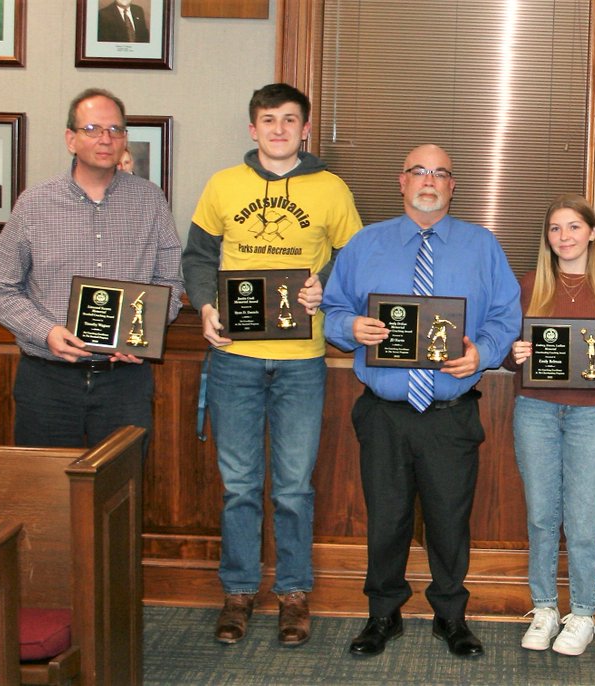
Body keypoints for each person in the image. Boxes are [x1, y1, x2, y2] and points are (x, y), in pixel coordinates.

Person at [181, 83, 363, 648]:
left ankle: (292, 593)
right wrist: (207, 304)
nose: (279, 128)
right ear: (252, 128)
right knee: (238, 485)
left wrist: (324, 288)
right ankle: (237, 592)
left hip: (301, 361)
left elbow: (353, 259)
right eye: (268, 119)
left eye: (290, 119)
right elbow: (199, 256)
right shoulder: (223, 184)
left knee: (292, 487)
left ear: (305, 129)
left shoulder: (331, 189)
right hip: (234, 357)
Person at [321, 144, 521, 659]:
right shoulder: (365, 244)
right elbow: (331, 309)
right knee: (385, 518)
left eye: (440, 173)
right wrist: (350, 327)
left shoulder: (483, 246)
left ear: (453, 186)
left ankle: (450, 617)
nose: (429, 180)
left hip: (450, 415)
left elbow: (506, 316)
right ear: (401, 181)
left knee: (450, 521)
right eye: (418, 171)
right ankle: (382, 614)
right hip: (384, 413)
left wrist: (482, 354)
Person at [0, 88, 183, 449]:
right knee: (45, 496)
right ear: (70, 139)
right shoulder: (34, 204)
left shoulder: (150, 200)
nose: (105, 139)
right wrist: (46, 332)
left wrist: (143, 333)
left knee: (122, 493)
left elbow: (168, 279)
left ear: (124, 140)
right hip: (47, 380)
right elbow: (0, 286)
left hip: (124, 380)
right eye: (92, 129)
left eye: (115, 130)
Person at [502, 195, 595, 656]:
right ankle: (544, 607)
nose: (564, 237)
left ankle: (583, 612)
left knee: (583, 522)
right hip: (536, 411)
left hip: (592, 414)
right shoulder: (528, 285)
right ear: (548, 237)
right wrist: (514, 356)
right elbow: (508, 349)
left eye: (574, 227)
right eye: (556, 229)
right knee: (542, 516)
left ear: (592, 233)